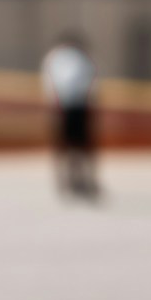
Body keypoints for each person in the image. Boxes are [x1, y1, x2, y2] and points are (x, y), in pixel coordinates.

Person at [43, 32, 100, 203]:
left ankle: (75, 179)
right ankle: (74, 179)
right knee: (75, 146)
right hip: (72, 106)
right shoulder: (66, 58)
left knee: (74, 146)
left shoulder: (57, 57)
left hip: (68, 107)